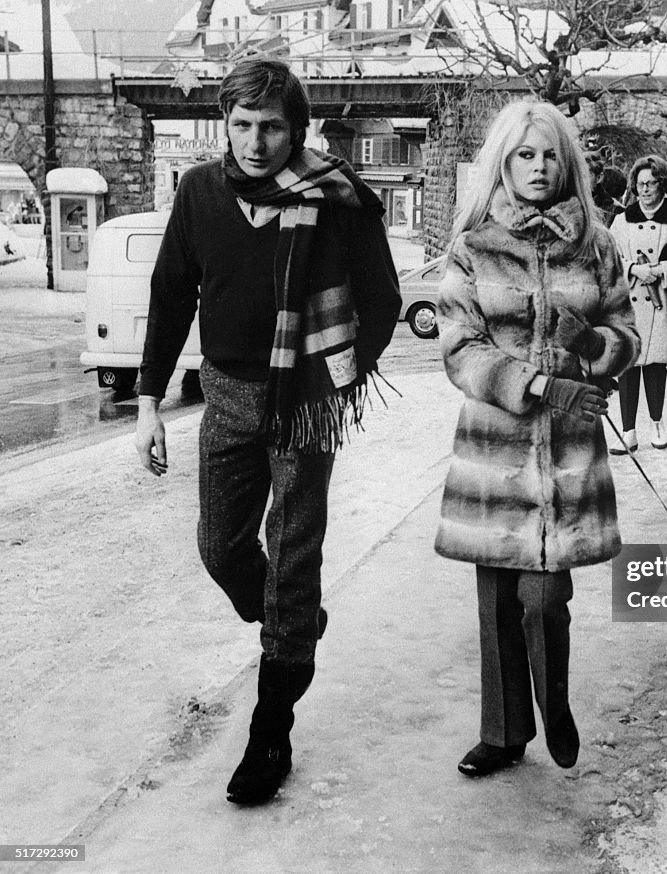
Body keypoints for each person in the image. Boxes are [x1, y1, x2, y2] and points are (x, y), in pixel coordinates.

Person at [134, 58, 401, 805]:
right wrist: (150, 399)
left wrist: (336, 372)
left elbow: (382, 300)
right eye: (242, 124)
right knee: (221, 547)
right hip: (226, 394)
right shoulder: (200, 193)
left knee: (289, 554)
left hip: (304, 402)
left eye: (272, 127)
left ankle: (271, 727)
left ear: (297, 129)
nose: (255, 142)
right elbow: (170, 295)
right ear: (225, 123)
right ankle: (295, 620)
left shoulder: (337, 198)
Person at [434, 100, 640, 777]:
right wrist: (537, 385)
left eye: (550, 154)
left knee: (545, 597)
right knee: (497, 599)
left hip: (569, 446)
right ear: (504, 161)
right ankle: (502, 733)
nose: (538, 166)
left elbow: (627, 336)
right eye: (525, 154)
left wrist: (597, 344)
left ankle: (554, 702)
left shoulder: (597, 243)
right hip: (496, 447)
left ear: (566, 163)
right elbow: (460, 348)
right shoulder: (472, 246)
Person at [609, 156, 667, 451]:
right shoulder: (622, 220)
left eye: (651, 183)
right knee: (628, 364)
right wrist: (633, 270)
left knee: (655, 364)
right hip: (630, 302)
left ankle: (657, 421)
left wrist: (663, 271)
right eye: (640, 184)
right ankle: (628, 431)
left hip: (662, 300)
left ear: (663, 185)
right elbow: (608, 259)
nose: (646, 189)